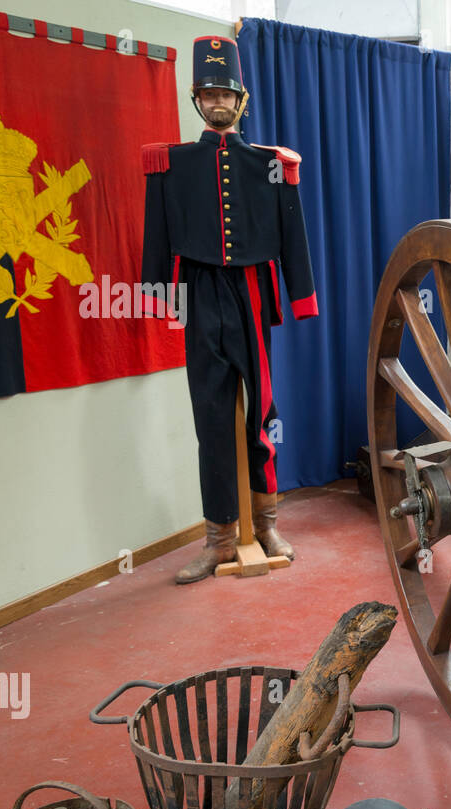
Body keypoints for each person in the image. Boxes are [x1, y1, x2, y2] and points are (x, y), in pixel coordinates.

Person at [140, 36, 318, 584]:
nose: (218, 102)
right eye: (209, 93)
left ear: (241, 99)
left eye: (226, 93)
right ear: (197, 99)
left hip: (254, 292)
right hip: (200, 291)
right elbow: (157, 234)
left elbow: (293, 234)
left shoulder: (273, 165)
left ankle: (265, 525)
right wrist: (158, 293)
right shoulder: (170, 165)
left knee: (260, 414)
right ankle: (218, 537)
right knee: (210, 417)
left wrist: (301, 296)